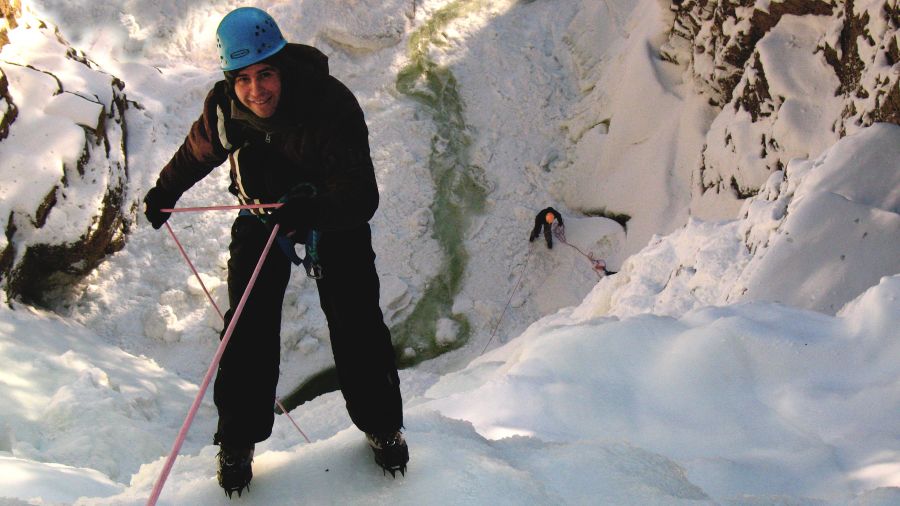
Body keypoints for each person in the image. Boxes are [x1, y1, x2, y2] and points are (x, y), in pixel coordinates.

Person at [142, 7, 407, 497]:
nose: (255, 90)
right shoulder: (226, 109)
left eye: (265, 74)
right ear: (230, 80)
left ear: (282, 66)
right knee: (246, 329)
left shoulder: (331, 106)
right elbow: (198, 152)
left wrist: (314, 210)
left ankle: (383, 425)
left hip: (333, 219)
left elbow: (361, 196)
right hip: (262, 218)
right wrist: (164, 192)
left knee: (356, 323)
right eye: (242, 78)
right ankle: (238, 442)